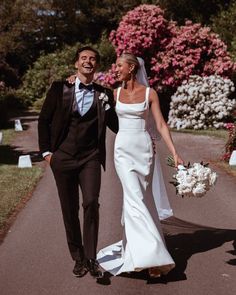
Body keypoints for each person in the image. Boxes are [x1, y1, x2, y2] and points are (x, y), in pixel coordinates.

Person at [97, 53, 183, 277]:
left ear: (132, 68)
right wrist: (70, 78)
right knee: (134, 197)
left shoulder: (149, 93)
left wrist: (175, 152)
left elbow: (161, 124)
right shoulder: (113, 93)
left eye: (119, 66)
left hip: (144, 150)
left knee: (142, 198)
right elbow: (88, 89)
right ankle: (152, 257)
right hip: (123, 151)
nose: (116, 69)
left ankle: (134, 250)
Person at [38, 46, 118, 279]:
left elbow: (116, 125)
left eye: (92, 59)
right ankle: (78, 257)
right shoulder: (58, 88)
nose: (88, 62)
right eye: (84, 58)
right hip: (62, 157)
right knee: (69, 208)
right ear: (76, 63)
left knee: (91, 202)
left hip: (90, 157)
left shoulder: (105, 93)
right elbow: (44, 120)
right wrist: (46, 153)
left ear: (97, 66)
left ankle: (92, 258)